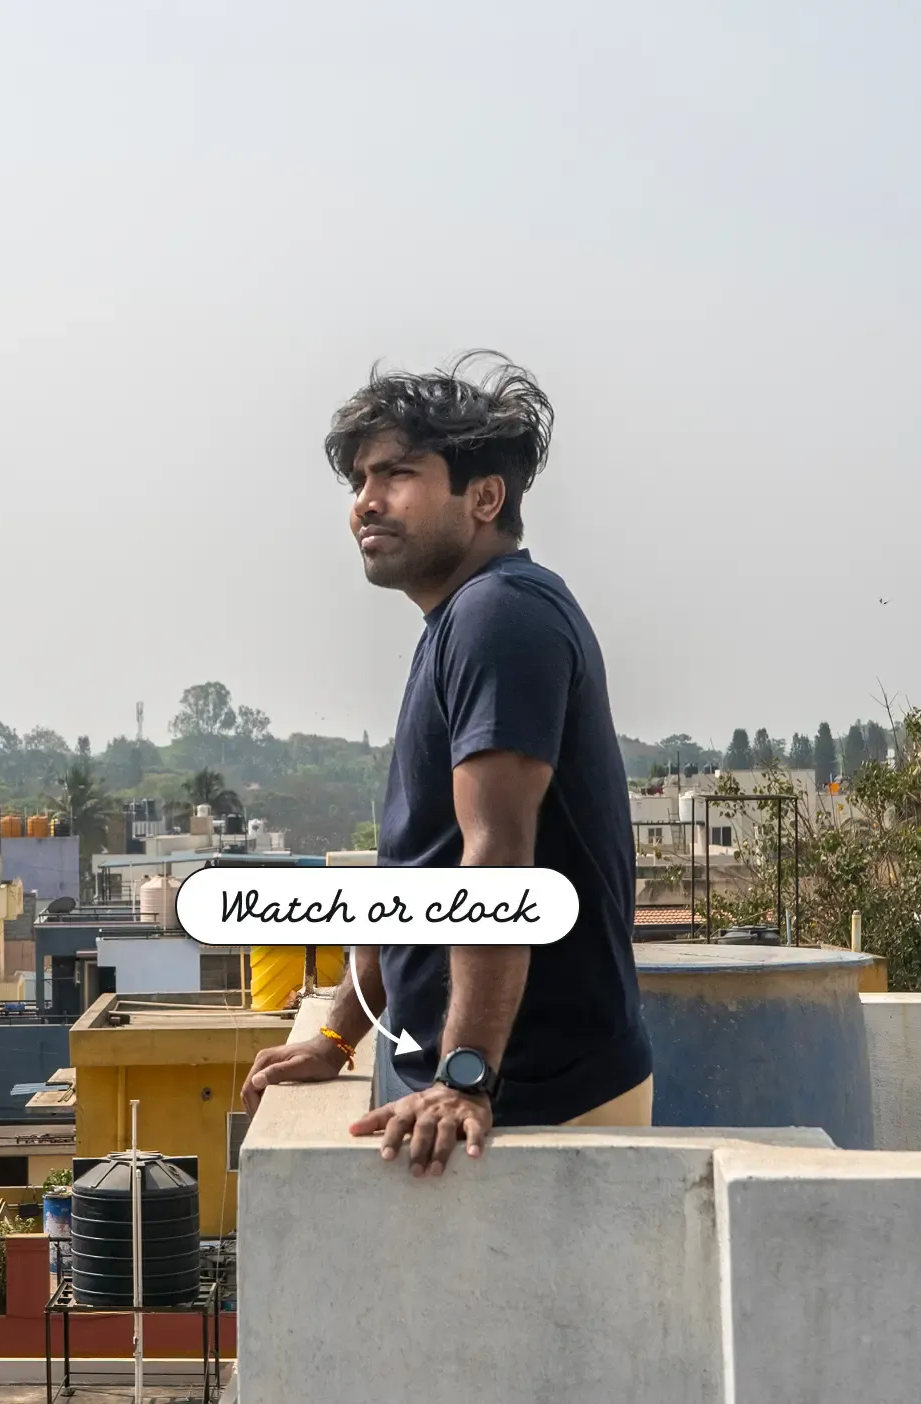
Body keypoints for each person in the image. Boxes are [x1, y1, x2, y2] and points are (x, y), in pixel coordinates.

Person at [240, 351, 653, 1178]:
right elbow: (419, 872)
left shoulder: (500, 617)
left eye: (397, 474)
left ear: (485, 497)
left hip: (534, 1107)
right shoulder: (461, 621)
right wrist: (337, 1035)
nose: (366, 501)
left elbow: (496, 863)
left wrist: (465, 1078)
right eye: (360, 478)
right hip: (486, 1093)